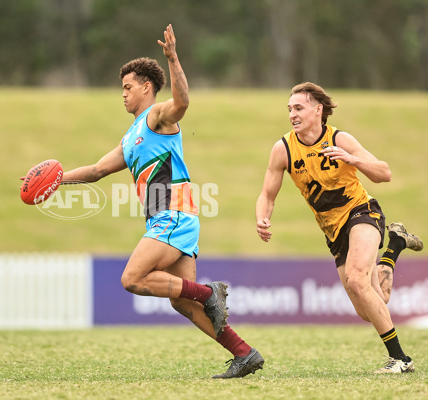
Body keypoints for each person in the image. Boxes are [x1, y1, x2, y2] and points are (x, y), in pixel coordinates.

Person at [59, 25, 264, 379]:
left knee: (133, 279)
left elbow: (182, 102)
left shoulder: (156, 119)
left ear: (146, 88)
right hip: (168, 218)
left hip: (174, 214)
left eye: (127, 87)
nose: (122, 94)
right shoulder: (131, 137)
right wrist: (57, 180)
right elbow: (95, 170)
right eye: (120, 88)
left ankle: (209, 291)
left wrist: (172, 57)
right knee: (182, 302)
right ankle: (244, 353)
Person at [255, 82, 423, 374]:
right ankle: (394, 246)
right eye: (289, 109)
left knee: (358, 279)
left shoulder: (340, 138)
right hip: (333, 232)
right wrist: (262, 217)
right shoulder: (282, 149)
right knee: (371, 306)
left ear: (318, 110)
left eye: (299, 108)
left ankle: (401, 359)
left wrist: (352, 158)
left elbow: (385, 173)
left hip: (363, 213)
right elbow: (267, 194)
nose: (292, 114)